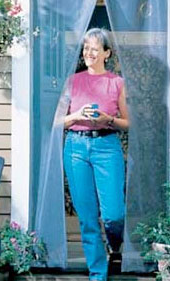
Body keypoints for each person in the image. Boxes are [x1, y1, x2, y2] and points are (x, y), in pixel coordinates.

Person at [63, 28, 129, 281]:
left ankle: (115, 246)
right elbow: (58, 120)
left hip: (107, 146)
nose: (89, 53)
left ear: (106, 53)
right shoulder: (73, 81)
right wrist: (77, 116)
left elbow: (128, 122)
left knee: (113, 214)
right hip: (75, 148)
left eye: (94, 48)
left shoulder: (116, 82)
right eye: (86, 48)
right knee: (88, 217)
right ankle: (97, 274)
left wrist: (108, 119)